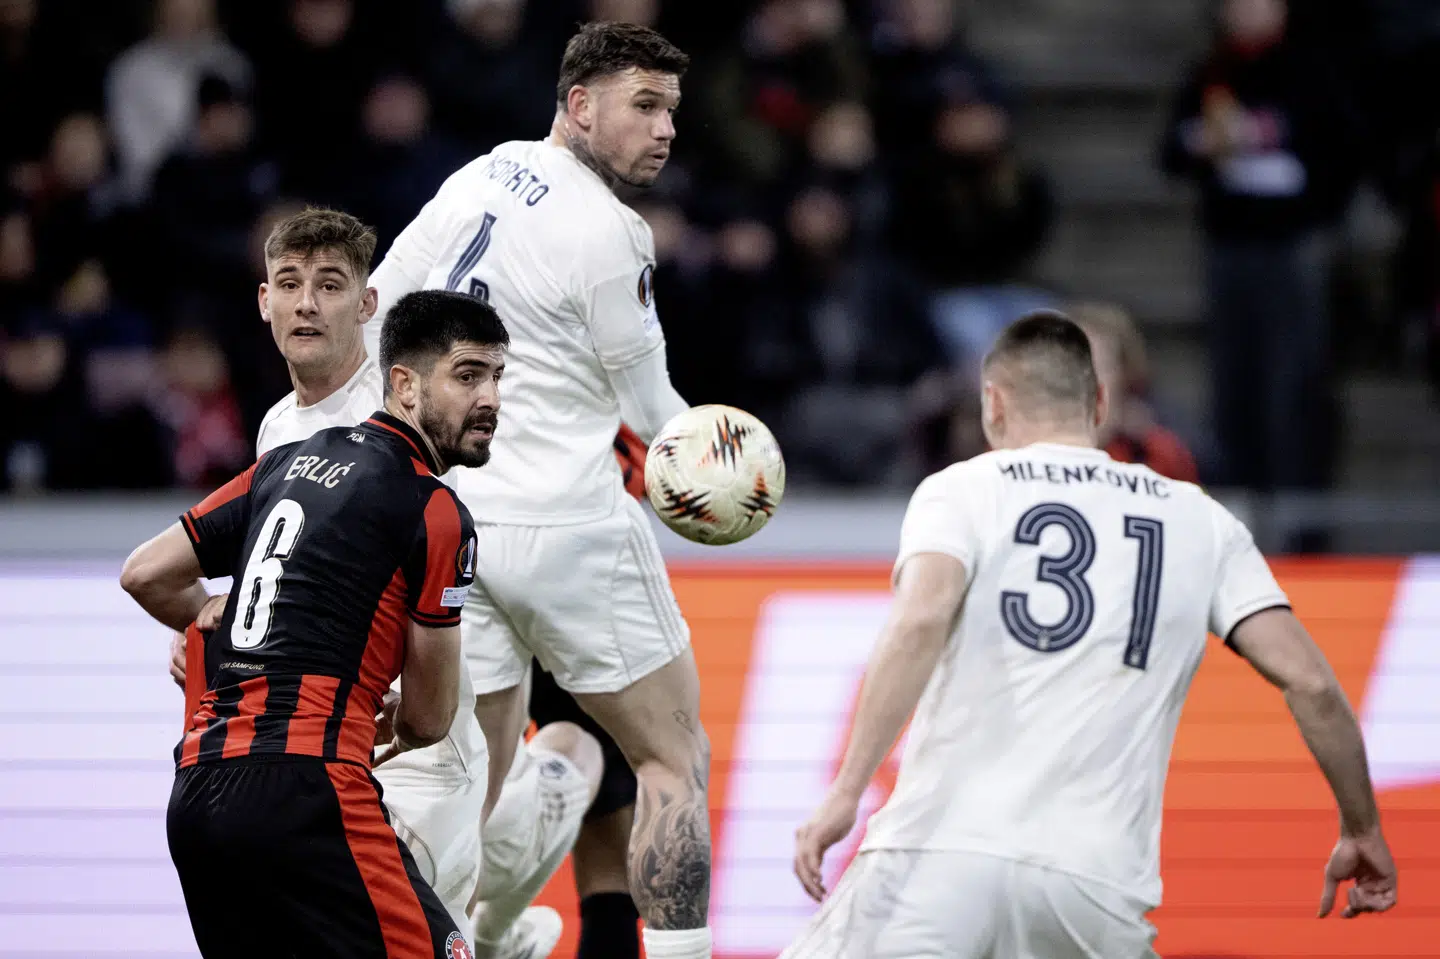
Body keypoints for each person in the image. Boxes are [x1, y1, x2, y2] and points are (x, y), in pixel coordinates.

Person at [782, 312, 1398, 958]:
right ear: (1101, 402)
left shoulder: (962, 490)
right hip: (1095, 888)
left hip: (939, 857)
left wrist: (847, 791)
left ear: (993, 403)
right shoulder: (1200, 520)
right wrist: (1362, 825)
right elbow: (1312, 682)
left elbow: (921, 618)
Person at [164, 208, 602, 958]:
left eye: (331, 286)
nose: (308, 304)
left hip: (418, 748)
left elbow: (462, 563)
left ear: (369, 307)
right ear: (262, 301)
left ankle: (507, 883)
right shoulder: (277, 431)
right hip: (323, 750)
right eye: (292, 285)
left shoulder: (415, 406)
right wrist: (213, 618)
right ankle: (498, 920)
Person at [367, 21, 710, 959]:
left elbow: (380, 314)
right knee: (671, 759)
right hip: (571, 532)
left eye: (672, 110)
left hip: (456, 526)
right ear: (579, 105)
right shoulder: (611, 231)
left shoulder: (481, 172)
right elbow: (653, 410)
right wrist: (722, 470)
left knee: (467, 787)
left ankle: (470, 936)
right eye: (644, 105)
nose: (665, 129)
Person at [119, 286, 508, 958]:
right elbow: (428, 718)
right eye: (468, 376)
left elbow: (144, 572)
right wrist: (393, 715)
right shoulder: (435, 509)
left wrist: (214, 614)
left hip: (197, 793)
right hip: (307, 788)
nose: (491, 400)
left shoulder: (281, 463)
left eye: (499, 377)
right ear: (405, 385)